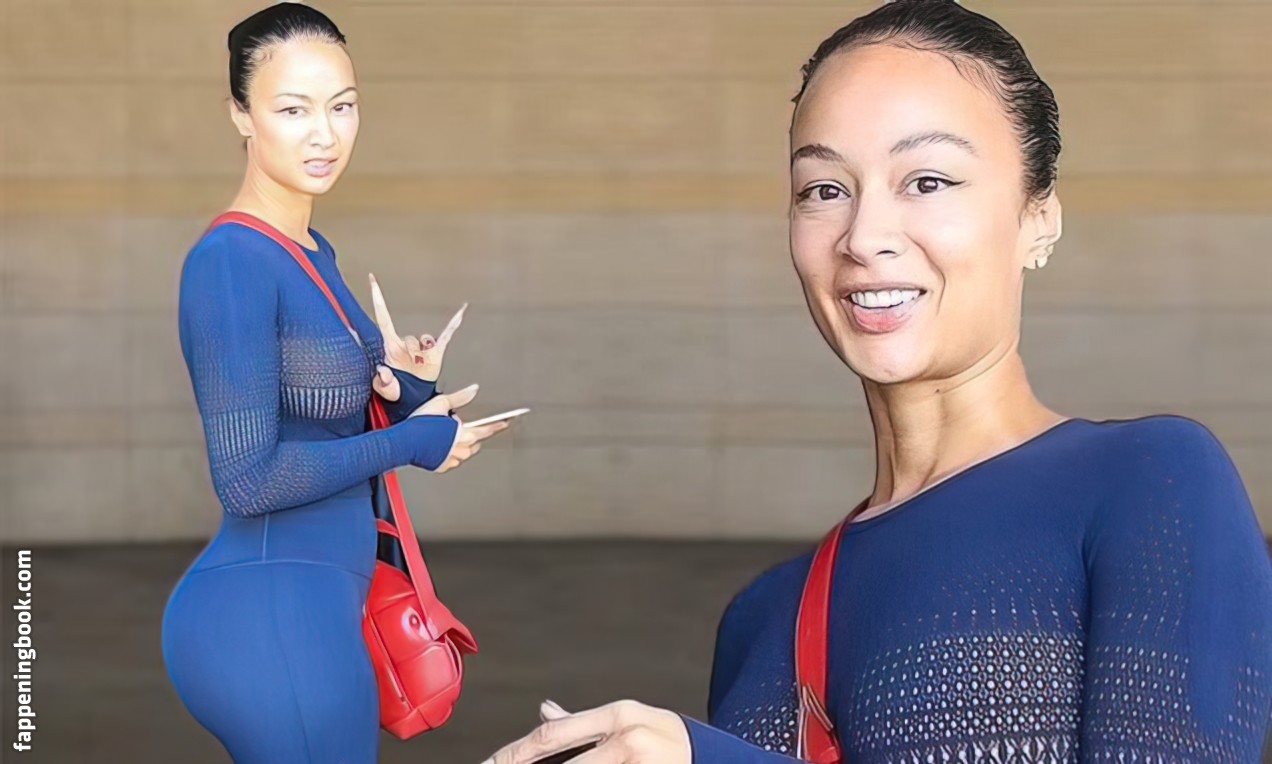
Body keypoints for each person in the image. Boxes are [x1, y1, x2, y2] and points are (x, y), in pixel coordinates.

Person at [484, 1, 1272, 762]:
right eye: (824, 190)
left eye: (927, 181)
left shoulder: (1152, 485)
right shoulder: (762, 619)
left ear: (1038, 220)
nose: (864, 237)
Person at [160, 4, 516, 762]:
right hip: (268, 612)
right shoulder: (231, 263)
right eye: (293, 110)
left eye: (342, 106)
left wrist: (405, 391)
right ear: (241, 114)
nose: (325, 134)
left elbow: (330, 421)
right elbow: (247, 480)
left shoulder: (312, 250)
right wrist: (413, 443)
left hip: (319, 599)